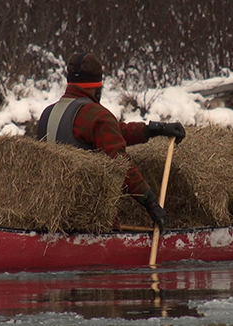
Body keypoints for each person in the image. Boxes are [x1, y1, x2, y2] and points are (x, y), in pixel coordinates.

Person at [36, 53, 185, 232]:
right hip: (88, 221)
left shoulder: (47, 114)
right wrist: (151, 203)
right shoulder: (97, 115)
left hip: (49, 216)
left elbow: (110, 132)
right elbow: (121, 164)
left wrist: (154, 129)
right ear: (98, 87)